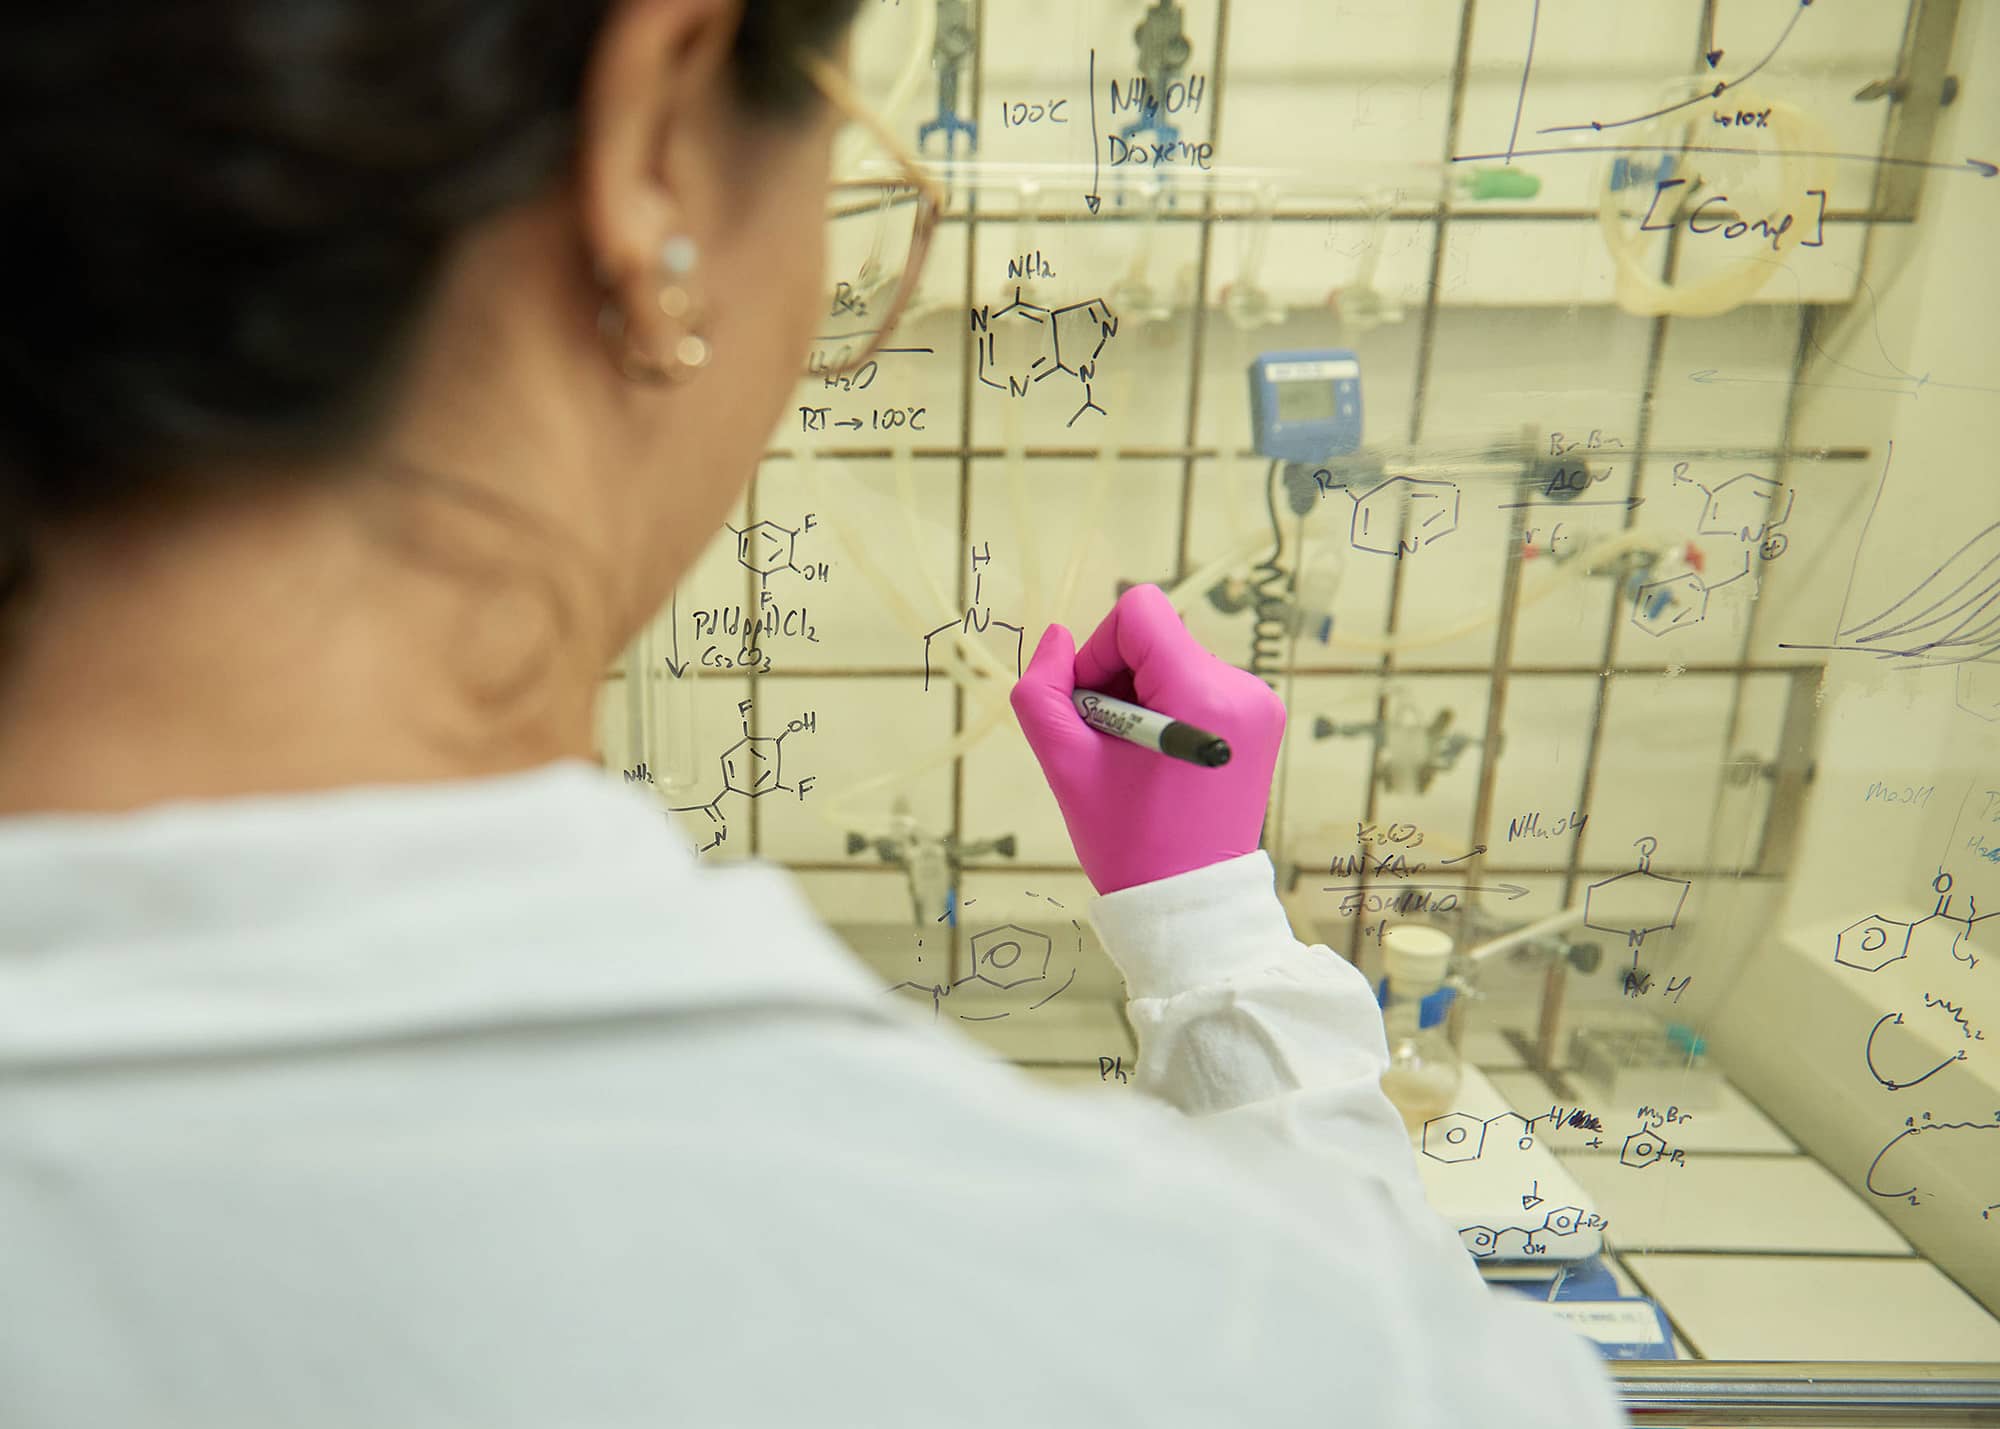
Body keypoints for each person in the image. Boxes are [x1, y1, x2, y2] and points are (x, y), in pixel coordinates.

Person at [0, 1, 1621, 1424]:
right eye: (849, 153)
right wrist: (1219, 950)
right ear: (655, 144)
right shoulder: (1155, 1326)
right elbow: (1353, 1362)